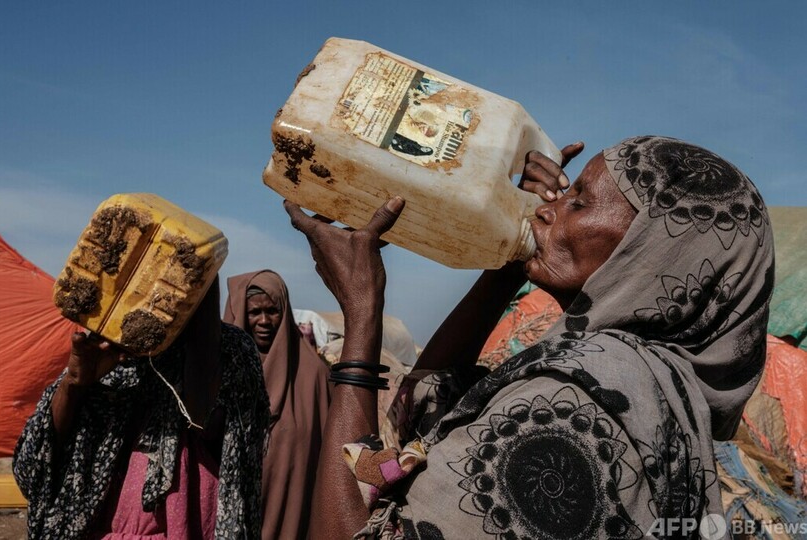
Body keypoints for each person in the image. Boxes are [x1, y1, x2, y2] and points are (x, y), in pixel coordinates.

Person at [286, 136, 774, 539]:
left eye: (578, 202)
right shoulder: (651, 382)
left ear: (648, 256)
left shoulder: (580, 404)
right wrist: (509, 261)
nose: (547, 209)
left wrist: (363, 314)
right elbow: (426, 407)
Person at [13, 277, 270, 540]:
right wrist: (74, 384)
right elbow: (30, 472)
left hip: (188, 525)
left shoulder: (230, 350)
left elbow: (223, 438)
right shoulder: (103, 347)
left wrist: (201, 332)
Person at [223, 270, 331, 540]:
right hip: (226, 505)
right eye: (254, 312)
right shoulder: (220, 368)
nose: (264, 321)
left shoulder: (313, 374)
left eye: (273, 311)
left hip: (287, 509)